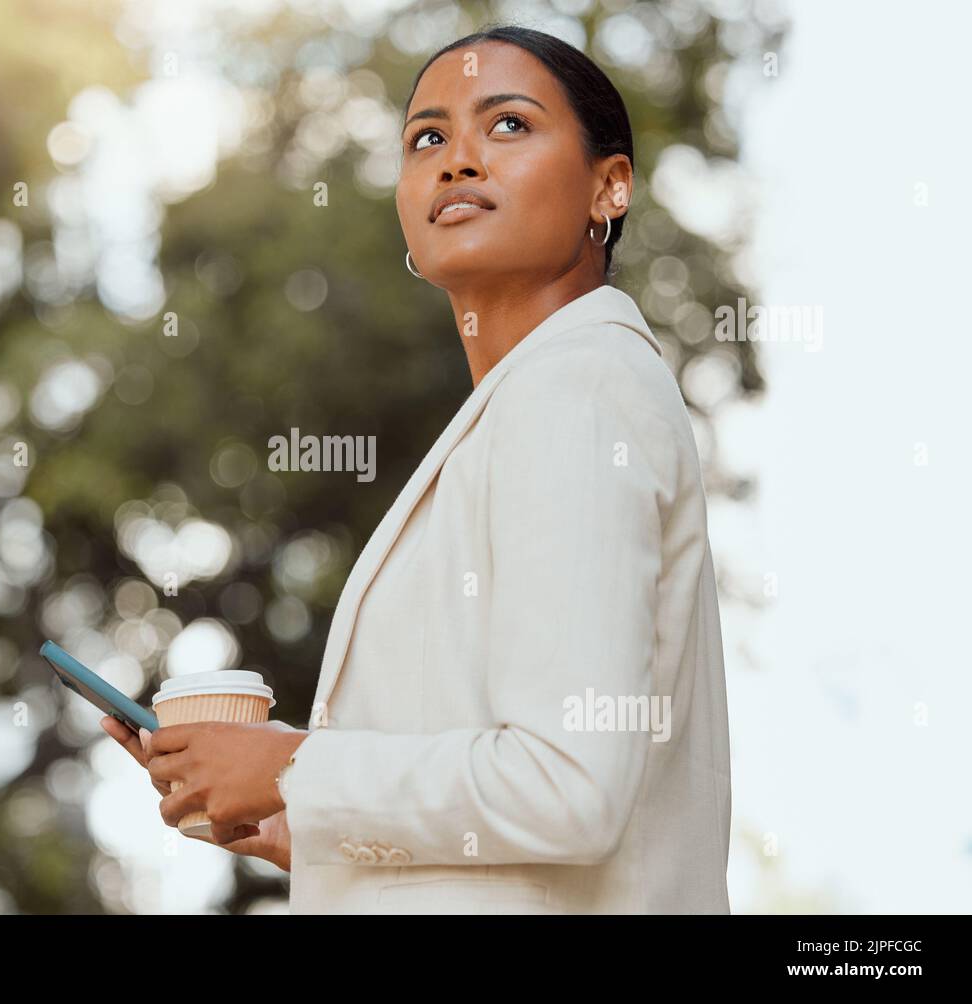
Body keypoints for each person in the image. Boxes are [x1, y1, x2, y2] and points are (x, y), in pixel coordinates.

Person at [103, 24, 731, 914]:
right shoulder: (534, 400)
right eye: (427, 139)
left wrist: (295, 769)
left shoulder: (575, 389)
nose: (458, 159)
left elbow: (569, 782)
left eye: (508, 124)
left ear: (609, 186)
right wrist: (306, 828)